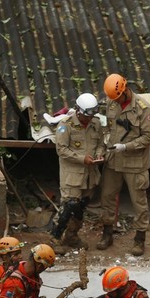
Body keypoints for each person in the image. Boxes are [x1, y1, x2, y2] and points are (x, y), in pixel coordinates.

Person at [97, 74, 150, 255]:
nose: (114, 101)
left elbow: (147, 137)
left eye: (117, 97)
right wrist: (105, 145)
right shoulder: (111, 104)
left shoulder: (143, 109)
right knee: (106, 197)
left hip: (135, 163)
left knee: (139, 203)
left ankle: (139, 239)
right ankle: (107, 233)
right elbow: (108, 128)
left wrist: (126, 146)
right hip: (113, 161)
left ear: (125, 90)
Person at [50, 93, 106, 254]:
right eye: (86, 116)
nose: (88, 119)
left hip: (90, 176)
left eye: (91, 116)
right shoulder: (65, 125)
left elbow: (101, 144)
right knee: (68, 207)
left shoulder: (95, 123)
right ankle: (55, 238)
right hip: (72, 176)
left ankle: (72, 236)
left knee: (80, 208)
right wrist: (82, 159)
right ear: (78, 111)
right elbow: (61, 150)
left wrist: (99, 154)